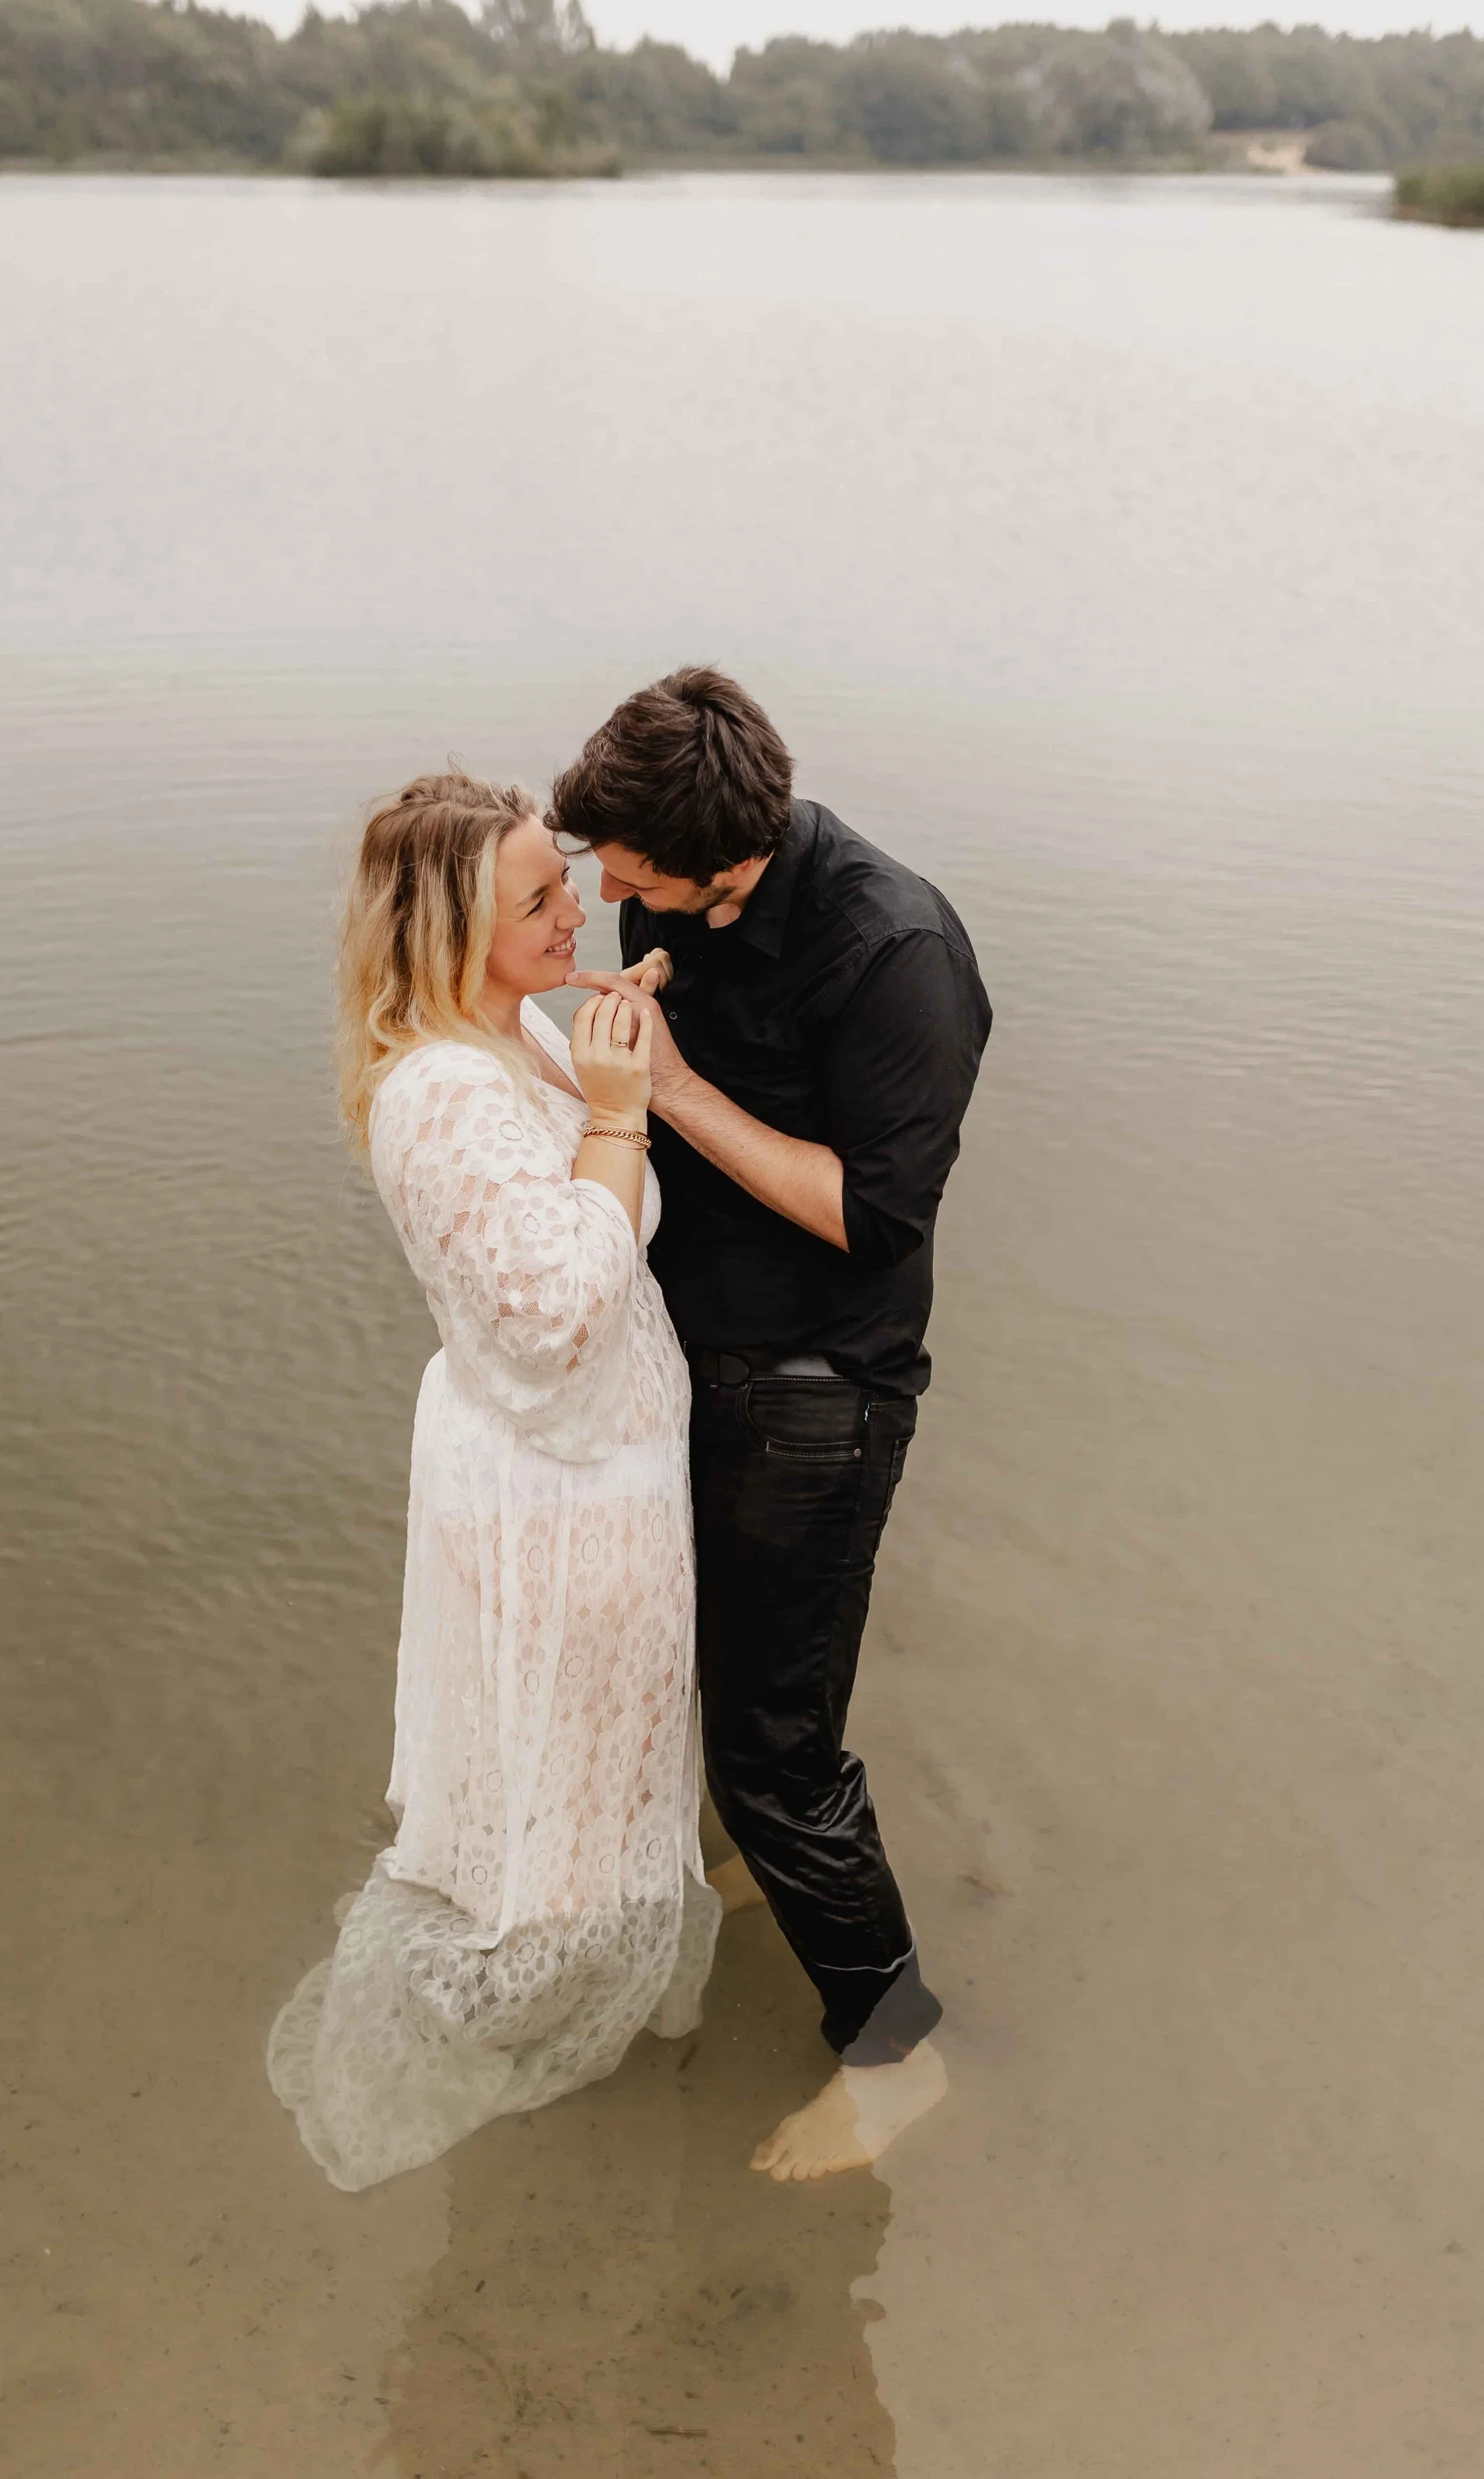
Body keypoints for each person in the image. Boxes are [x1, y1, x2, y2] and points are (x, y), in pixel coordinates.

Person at [551, 667, 992, 2183]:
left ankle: (896, 2051)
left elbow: (873, 1216)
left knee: (775, 1746)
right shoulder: (679, 900)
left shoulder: (896, 951)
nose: (606, 891)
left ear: (720, 855)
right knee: (720, 1683)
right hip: (692, 1360)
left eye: (627, 872)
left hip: (819, 1395)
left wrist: (669, 1089)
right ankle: (753, 1870)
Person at [267, 773, 719, 2192]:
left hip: (590, 1463)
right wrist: (620, 1110)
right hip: (559, 1495)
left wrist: (602, 1061)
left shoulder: (507, 1029)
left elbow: (584, 1213)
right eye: (537, 898)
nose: (577, 907)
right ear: (451, 930)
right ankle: (517, 2025)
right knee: (566, 1792)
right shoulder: (440, 1095)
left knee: (585, 1768)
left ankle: (578, 1973)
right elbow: (558, 1314)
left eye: (561, 880)